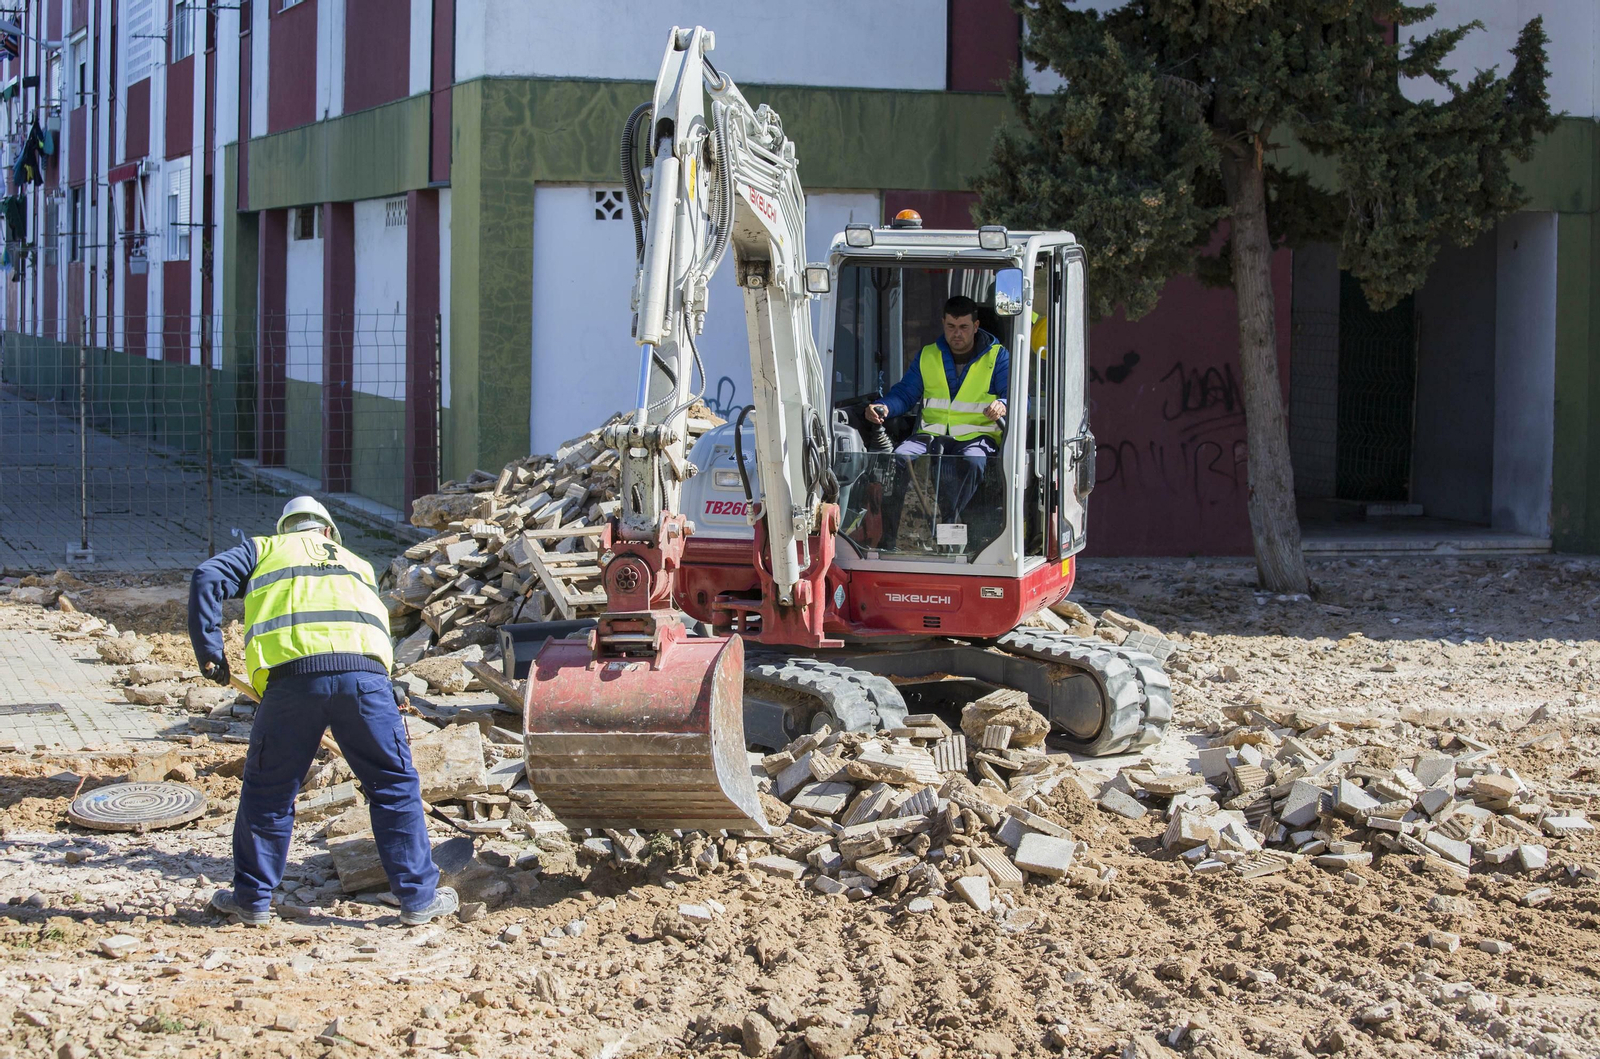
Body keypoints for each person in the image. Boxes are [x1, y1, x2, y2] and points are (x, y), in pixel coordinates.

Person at [188, 496, 456, 927]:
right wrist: (386, 681)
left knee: (269, 792)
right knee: (393, 785)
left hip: (293, 683)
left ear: (285, 529)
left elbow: (207, 575)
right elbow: (368, 625)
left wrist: (209, 650)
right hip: (366, 682)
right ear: (328, 531)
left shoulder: (265, 549)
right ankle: (419, 900)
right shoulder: (356, 563)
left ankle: (252, 901)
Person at [865, 295, 1008, 539]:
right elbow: (905, 393)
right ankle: (889, 539)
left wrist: (1002, 405)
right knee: (899, 457)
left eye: (963, 327)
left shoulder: (997, 357)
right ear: (943, 323)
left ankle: (950, 526)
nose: (957, 334)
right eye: (951, 326)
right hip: (930, 435)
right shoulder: (928, 355)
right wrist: (884, 406)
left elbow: (1015, 397)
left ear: (976, 326)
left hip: (977, 436)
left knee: (973, 461)